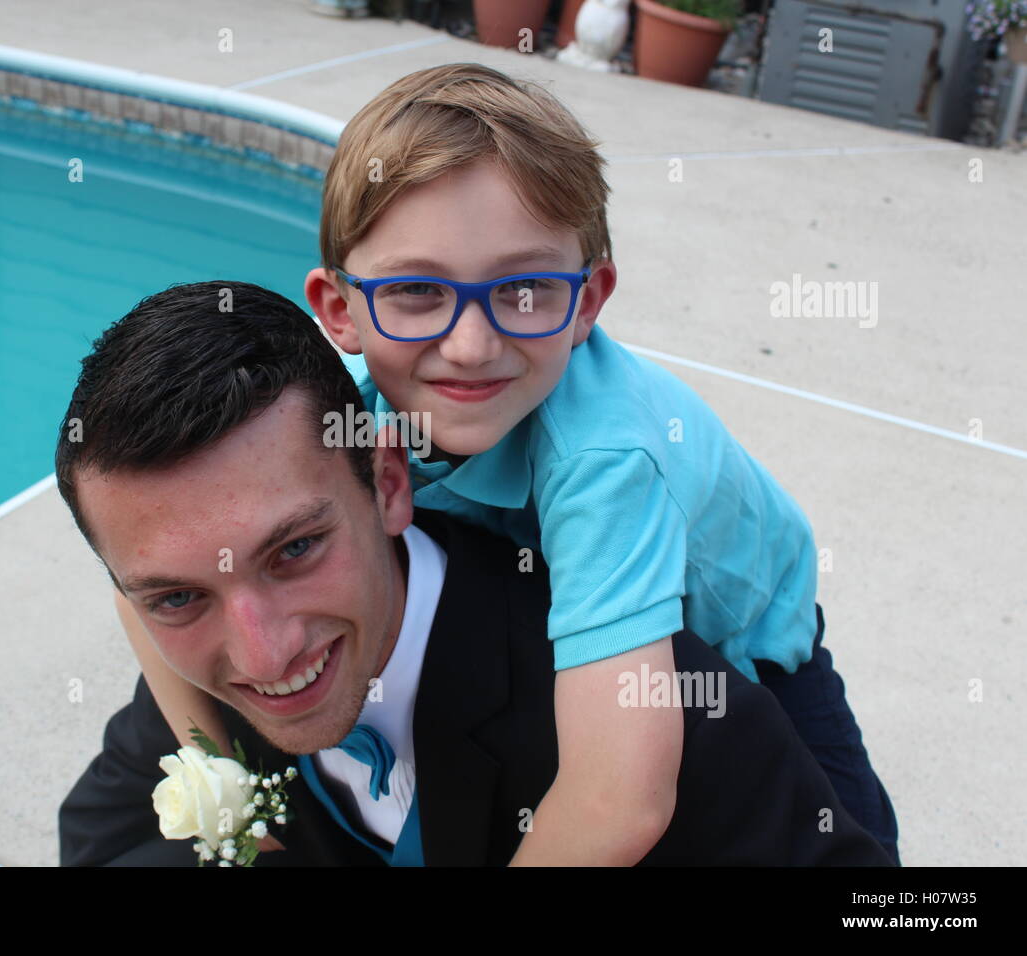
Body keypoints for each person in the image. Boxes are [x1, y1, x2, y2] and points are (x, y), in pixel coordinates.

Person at [112, 63, 901, 865]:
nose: (471, 344)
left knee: (860, 857)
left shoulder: (605, 461)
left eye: (524, 289)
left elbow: (617, 798)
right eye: (418, 291)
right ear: (341, 312)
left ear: (588, 303)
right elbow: (132, 587)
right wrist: (233, 795)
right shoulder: (344, 413)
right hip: (540, 581)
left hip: (750, 644)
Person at [55, 281, 893, 866]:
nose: (264, 656)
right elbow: (109, 843)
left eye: (297, 551)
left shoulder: (664, 717)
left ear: (389, 482)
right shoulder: (200, 682)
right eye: (174, 596)